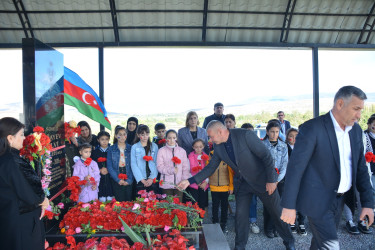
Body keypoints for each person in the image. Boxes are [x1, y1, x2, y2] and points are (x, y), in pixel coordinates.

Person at [281, 86, 374, 249]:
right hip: (317, 202)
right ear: (340, 104)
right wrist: (289, 205)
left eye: (361, 109)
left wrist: (367, 203)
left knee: (319, 243)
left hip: (340, 200)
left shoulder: (355, 130)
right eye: (356, 109)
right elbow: (295, 169)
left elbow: (360, 169)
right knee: (331, 245)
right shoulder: (313, 128)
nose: (359, 115)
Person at [178, 121, 295, 250]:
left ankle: (289, 242)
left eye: (211, 136)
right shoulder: (218, 146)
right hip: (243, 184)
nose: (209, 140)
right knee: (240, 217)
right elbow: (211, 167)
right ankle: (239, 247)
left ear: (220, 132)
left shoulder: (245, 135)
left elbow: (266, 155)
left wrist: (272, 180)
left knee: (277, 213)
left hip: (263, 181)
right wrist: (189, 181)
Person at [0, 117, 49, 250]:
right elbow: (27, 191)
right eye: (21, 135)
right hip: (22, 222)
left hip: (8, 219)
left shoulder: (6, 158)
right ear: (10, 138)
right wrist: (43, 200)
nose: (24, 138)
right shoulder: (13, 161)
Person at [262, 121, 288, 238]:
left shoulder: (283, 146)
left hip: (279, 181)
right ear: (267, 132)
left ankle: (276, 227)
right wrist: (270, 181)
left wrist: (277, 181)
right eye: (272, 131)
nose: (274, 134)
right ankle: (268, 228)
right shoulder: (262, 145)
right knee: (268, 205)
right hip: (267, 180)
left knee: (278, 206)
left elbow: (284, 164)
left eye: (277, 132)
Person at [157, 129, 190, 202]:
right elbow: (159, 166)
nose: (172, 140)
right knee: (168, 206)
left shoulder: (182, 151)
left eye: (174, 138)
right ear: (166, 139)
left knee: (178, 206)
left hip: (179, 183)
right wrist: (171, 170)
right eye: (169, 138)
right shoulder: (161, 151)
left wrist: (184, 180)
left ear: (176, 138)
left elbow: (185, 168)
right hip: (166, 184)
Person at [285, 127, 306, 235]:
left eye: (296, 136)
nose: (293, 138)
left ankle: (301, 222)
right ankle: (291, 221)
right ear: (287, 137)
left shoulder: (303, 148)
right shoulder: (285, 148)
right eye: (291, 136)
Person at [241, 122, 260, 234]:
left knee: (253, 201)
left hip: (254, 179)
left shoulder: (258, 145)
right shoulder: (237, 146)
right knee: (241, 202)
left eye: (251, 132)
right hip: (240, 179)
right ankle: (242, 223)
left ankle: (253, 221)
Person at [107, 125, 134, 202]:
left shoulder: (131, 148)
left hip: (128, 172)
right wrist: (117, 179)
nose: (122, 137)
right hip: (116, 173)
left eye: (124, 134)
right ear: (116, 136)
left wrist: (129, 180)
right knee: (118, 199)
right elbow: (110, 166)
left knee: (128, 198)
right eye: (120, 135)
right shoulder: (111, 149)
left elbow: (133, 165)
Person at [131, 125, 159, 194]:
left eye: (147, 134)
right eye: (142, 135)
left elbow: (156, 163)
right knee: (141, 201)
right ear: (138, 135)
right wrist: (141, 179)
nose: (145, 137)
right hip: (140, 179)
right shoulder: (134, 147)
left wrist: (152, 178)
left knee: (153, 201)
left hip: (152, 178)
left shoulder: (154, 146)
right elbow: (133, 164)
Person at [187, 138, 209, 211]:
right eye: (196, 147)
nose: (198, 149)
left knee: (202, 202)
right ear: (193, 147)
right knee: (194, 202)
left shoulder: (206, 157)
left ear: (203, 147)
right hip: (193, 184)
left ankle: (201, 219)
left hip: (204, 184)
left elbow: (209, 170)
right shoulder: (190, 157)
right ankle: (194, 219)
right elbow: (188, 171)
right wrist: (195, 180)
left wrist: (206, 182)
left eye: (200, 147)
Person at [91, 130, 113, 202]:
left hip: (110, 176)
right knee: (101, 197)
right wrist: (99, 170)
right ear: (98, 140)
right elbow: (92, 165)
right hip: (99, 176)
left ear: (109, 140)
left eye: (106, 139)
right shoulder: (94, 152)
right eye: (102, 139)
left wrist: (108, 169)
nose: (104, 141)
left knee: (110, 195)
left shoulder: (112, 151)